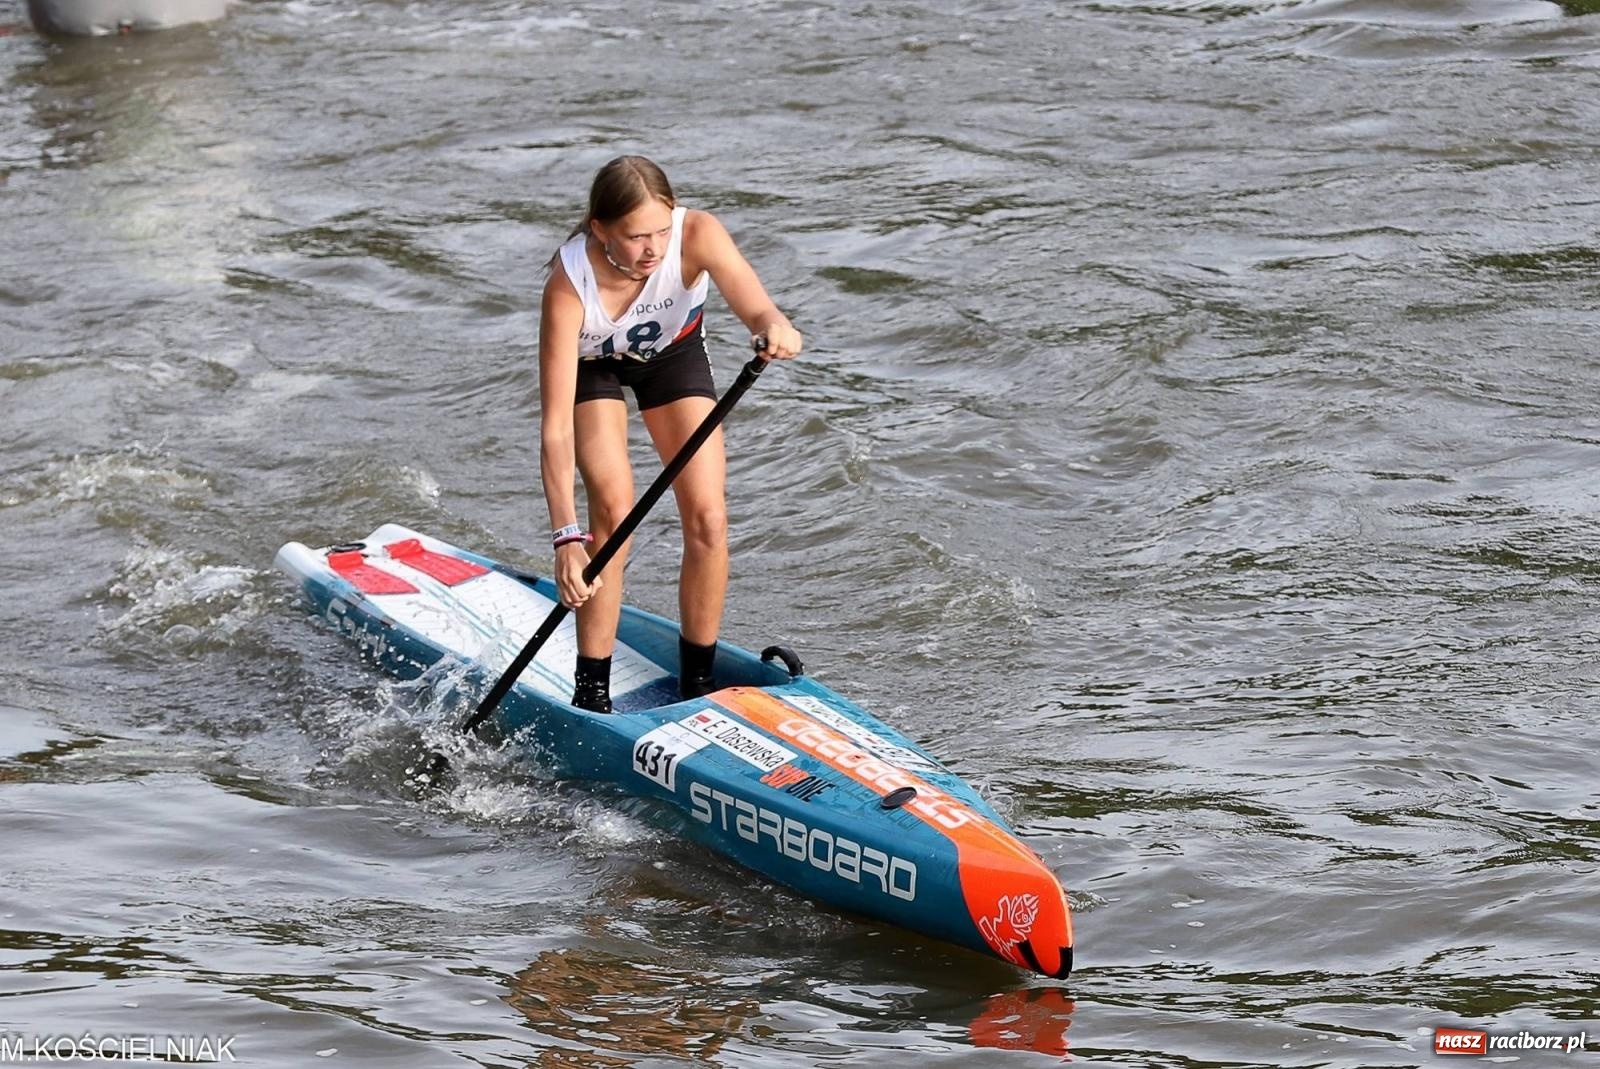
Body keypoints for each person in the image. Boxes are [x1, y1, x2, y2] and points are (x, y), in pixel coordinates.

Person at [538, 156, 803, 713]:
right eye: (635, 237)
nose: (653, 248)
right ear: (600, 229)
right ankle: (592, 694)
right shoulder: (568, 284)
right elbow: (557, 429)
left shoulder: (698, 233)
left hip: (671, 358)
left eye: (661, 230)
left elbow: (757, 306)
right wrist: (565, 538)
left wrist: (771, 327)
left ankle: (697, 684)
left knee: (708, 516)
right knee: (612, 513)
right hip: (595, 368)